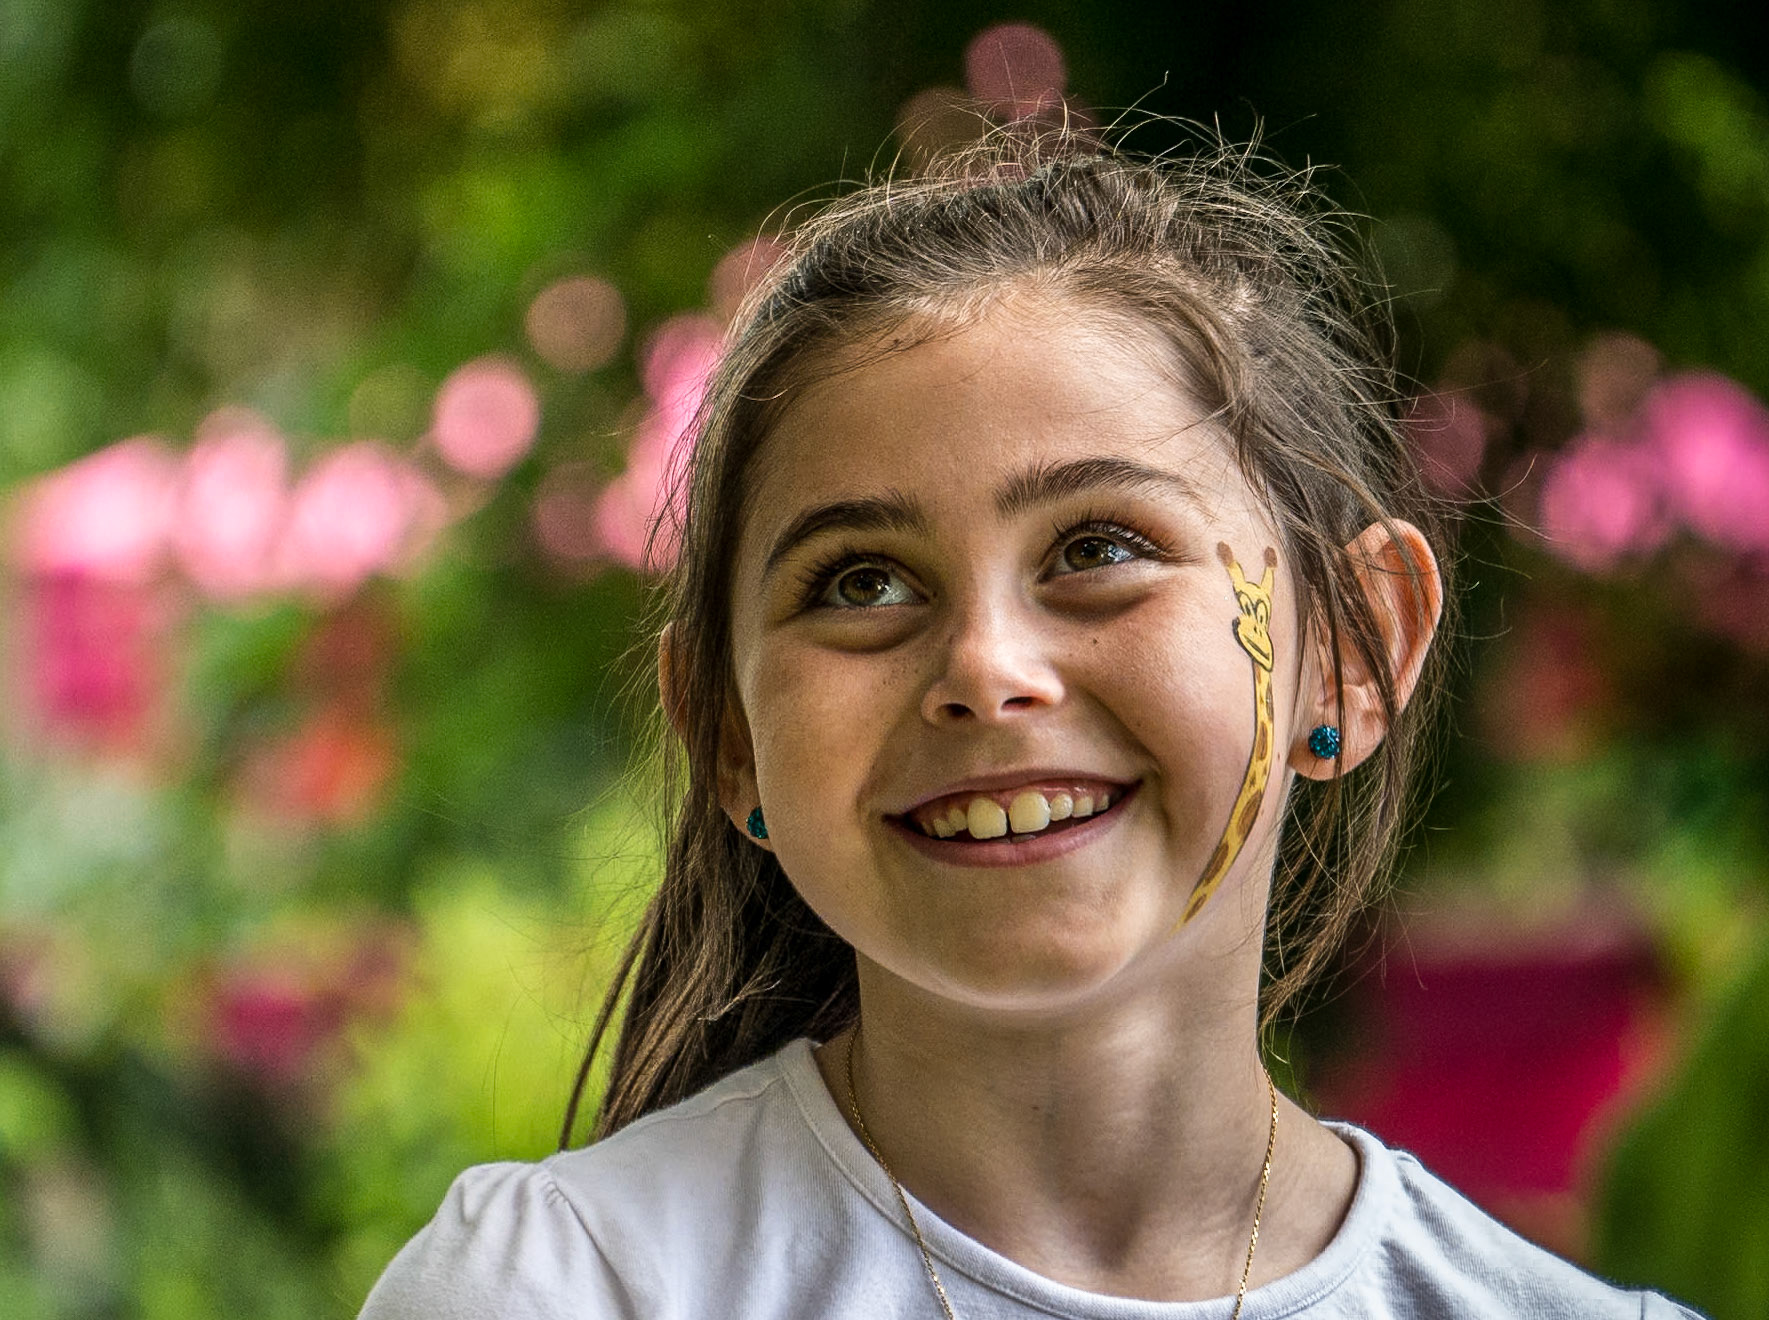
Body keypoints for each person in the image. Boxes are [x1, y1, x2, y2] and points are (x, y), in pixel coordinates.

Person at [359, 131, 1700, 1318]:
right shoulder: (563, 1287)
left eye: (1100, 547)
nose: (986, 670)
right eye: (860, 583)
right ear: (724, 734)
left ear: (1352, 644)